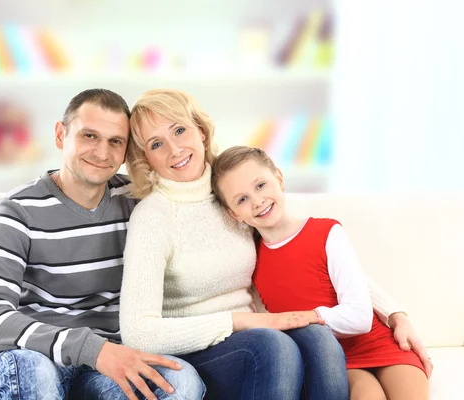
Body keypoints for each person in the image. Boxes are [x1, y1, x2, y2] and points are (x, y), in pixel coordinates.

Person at [118, 89, 430, 400]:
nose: (174, 149)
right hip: (197, 350)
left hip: (255, 337)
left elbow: (313, 252)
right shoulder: (153, 218)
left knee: (317, 337)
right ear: (147, 158)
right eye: (157, 144)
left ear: (200, 130)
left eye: (180, 130)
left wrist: (394, 312)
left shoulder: (235, 194)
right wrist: (239, 322)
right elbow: (138, 331)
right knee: (272, 344)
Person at [0, 89, 205, 400]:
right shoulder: (17, 209)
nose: (102, 153)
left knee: (182, 381)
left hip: (107, 367)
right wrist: (91, 348)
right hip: (33, 357)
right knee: (34, 375)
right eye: (89, 136)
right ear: (60, 135)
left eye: (115, 141)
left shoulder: (138, 200)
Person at [211, 146, 430, 400]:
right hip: (334, 360)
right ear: (233, 214)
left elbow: (359, 311)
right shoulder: (250, 262)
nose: (257, 201)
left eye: (260, 185)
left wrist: (396, 314)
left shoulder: (326, 233)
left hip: (380, 343)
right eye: (242, 199)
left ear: (279, 178)